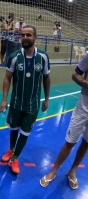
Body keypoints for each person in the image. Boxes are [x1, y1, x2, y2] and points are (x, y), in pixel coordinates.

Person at [0, 26, 50, 174]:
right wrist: (4, 99)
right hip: (15, 103)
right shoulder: (14, 56)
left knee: (25, 132)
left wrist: (46, 99)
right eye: (23, 35)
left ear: (35, 37)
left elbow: (46, 78)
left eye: (29, 35)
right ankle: (11, 150)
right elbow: (7, 78)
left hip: (32, 104)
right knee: (13, 128)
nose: (25, 37)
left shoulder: (43, 57)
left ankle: (14, 158)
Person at [40, 54, 88, 190]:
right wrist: (86, 84)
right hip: (83, 109)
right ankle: (53, 170)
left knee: (86, 143)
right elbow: (75, 75)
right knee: (70, 142)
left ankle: (72, 171)